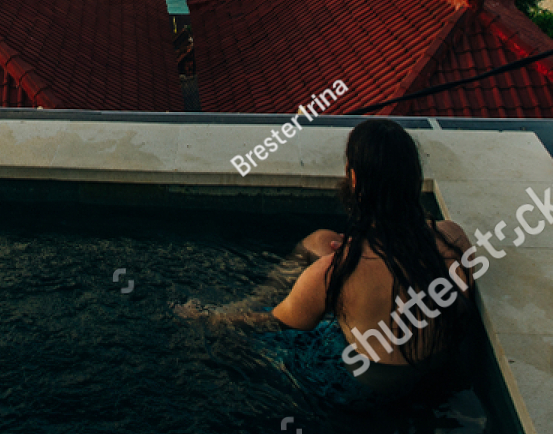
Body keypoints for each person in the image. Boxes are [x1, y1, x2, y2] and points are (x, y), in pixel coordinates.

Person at [182, 119, 477, 408]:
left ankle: (251, 299)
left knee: (269, 335)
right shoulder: (453, 238)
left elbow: (273, 323)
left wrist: (208, 317)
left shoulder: (330, 274)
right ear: (413, 178)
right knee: (320, 240)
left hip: (369, 388)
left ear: (355, 180)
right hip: (437, 376)